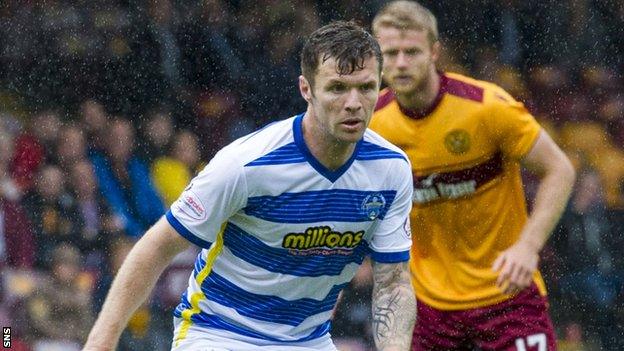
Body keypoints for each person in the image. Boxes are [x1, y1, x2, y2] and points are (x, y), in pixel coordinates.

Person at [83, 21, 416, 351]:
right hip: (219, 333)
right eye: (338, 88)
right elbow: (156, 247)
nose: (354, 102)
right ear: (306, 89)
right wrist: (101, 341)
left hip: (309, 341)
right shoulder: (247, 163)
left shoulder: (391, 170)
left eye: (366, 87)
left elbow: (393, 282)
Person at [369, 2, 576, 350]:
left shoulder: (487, 107)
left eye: (412, 52)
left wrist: (527, 247)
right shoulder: (372, 124)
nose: (401, 63)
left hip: (507, 296)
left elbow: (560, 169)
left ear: (435, 51)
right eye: (391, 53)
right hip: (428, 307)